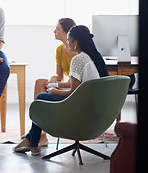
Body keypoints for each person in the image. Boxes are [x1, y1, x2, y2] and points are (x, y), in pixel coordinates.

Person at [12, 25, 109, 155]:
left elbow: (72, 92)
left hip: (80, 108)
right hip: (93, 108)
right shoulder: (94, 57)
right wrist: (57, 86)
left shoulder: (78, 59)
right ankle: (33, 141)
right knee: (43, 96)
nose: (67, 43)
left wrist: (54, 91)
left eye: (69, 40)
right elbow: (79, 86)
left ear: (76, 42)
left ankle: (33, 141)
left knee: (41, 98)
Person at [33, 18, 76, 146]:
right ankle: (42, 135)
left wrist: (56, 85)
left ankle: (37, 134)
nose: (54, 31)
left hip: (75, 88)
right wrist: (54, 77)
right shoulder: (59, 50)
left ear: (67, 32)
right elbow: (60, 75)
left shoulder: (78, 52)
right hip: (67, 82)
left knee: (43, 92)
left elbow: (76, 83)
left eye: (58, 29)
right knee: (40, 82)